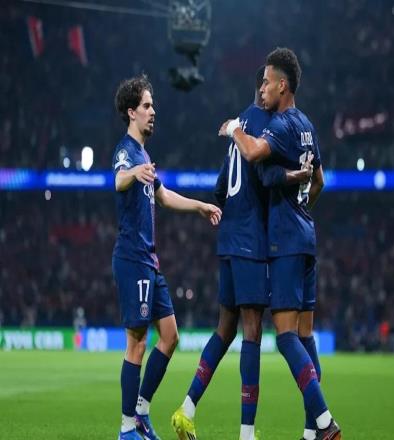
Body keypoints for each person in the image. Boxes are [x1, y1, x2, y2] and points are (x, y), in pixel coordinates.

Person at [172, 66, 313, 440]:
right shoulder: (265, 126)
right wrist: (293, 179)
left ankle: (186, 408)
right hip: (252, 241)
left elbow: (221, 187)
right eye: (265, 85)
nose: (268, 91)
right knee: (252, 332)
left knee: (224, 329)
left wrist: (231, 213)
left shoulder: (239, 125)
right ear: (262, 90)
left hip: (229, 239)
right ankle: (247, 434)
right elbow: (267, 177)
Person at [219, 47, 341, 440]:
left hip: (286, 243)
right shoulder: (307, 124)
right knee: (306, 337)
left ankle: (325, 422)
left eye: (267, 83)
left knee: (286, 337)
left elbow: (253, 151)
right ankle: (310, 433)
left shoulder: (283, 124)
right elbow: (319, 180)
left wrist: (234, 128)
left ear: (283, 85)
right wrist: (302, 207)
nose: (262, 89)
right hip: (307, 238)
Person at [112, 74, 221, 440]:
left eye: (152, 105)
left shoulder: (144, 155)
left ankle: (141, 411)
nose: (153, 111)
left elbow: (163, 195)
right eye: (146, 105)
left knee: (170, 336)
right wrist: (133, 172)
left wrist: (200, 206)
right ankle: (127, 428)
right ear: (132, 112)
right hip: (132, 259)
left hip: (150, 261)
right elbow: (118, 180)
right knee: (137, 342)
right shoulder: (127, 151)